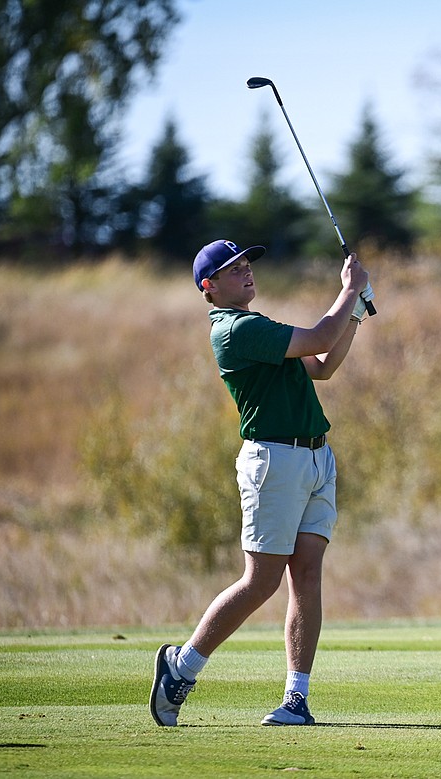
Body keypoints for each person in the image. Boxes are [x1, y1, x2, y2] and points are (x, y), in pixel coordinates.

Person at [149, 238, 372, 727]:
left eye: (247, 264)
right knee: (262, 581)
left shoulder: (260, 326)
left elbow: (322, 366)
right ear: (209, 287)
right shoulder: (235, 331)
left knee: (307, 573)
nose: (246, 271)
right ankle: (181, 667)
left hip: (316, 457)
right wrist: (351, 290)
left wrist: (353, 313)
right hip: (273, 461)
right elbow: (317, 338)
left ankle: (297, 699)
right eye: (233, 269)